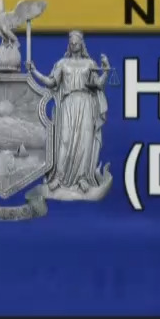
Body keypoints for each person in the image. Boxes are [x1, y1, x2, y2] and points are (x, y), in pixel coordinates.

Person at [31, 31, 112, 199]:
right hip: (68, 104)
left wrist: (105, 70)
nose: (74, 44)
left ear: (81, 43)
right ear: (69, 44)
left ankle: (83, 178)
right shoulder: (62, 63)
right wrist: (35, 71)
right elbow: (51, 82)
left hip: (86, 104)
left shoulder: (90, 63)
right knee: (64, 140)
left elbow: (98, 84)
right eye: (71, 41)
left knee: (85, 142)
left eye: (76, 41)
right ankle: (58, 178)